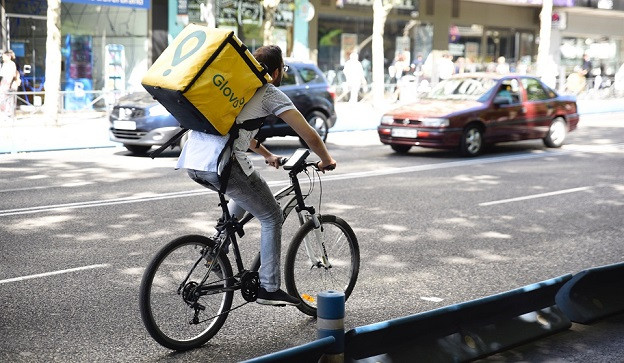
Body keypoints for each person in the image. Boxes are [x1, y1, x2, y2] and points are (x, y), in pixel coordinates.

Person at [176, 45, 336, 306]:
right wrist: (326, 159)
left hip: (194, 160)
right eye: (282, 69)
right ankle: (269, 287)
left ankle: (214, 253)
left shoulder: (234, 86)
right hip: (222, 164)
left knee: (245, 192)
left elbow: (240, 128)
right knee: (272, 215)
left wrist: (266, 154)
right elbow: (308, 133)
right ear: (274, 72)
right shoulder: (268, 92)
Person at [0, 50, 18, 120]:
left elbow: (12, 75)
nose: (3, 58)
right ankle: (4, 113)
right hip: (3, 83)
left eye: (4, 56)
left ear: (9, 57)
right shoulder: (4, 64)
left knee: (9, 99)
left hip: (9, 84)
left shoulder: (11, 64)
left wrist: (8, 83)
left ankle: (9, 114)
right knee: (3, 98)